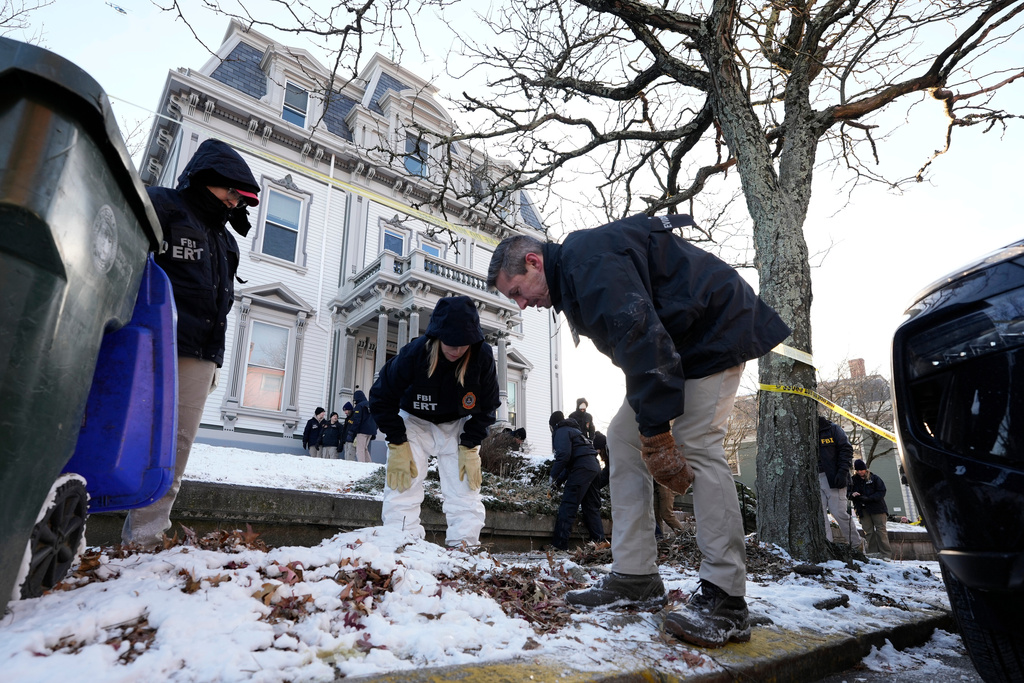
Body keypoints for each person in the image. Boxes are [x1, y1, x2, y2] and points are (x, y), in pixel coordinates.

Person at [488, 213, 790, 648]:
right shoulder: (573, 277)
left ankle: (727, 599)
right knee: (624, 440)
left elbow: (641, 339)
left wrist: (658, 433)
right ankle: (635, 576)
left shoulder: (586, 265)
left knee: (698, 446)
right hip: (671, 347)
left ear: (534, 263)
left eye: (516, 291)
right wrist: (647, 431)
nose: (519, 304)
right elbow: (640, 347)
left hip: (712, 332)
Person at [122, 138, 260, 548]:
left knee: (175, 450)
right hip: (146, 345)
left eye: (242, 199)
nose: (236, 204)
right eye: (232, 193)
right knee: (112, 432)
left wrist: (215, 362)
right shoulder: (161, 206)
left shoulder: (226, 242)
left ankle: (145, 537)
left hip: (200, 356)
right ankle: (66, 525)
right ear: (208, 180)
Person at [369, 296, 501, 547]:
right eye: (450, 342)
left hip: (457, 427)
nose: (456, 349)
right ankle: (402, 545)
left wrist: (471, 443)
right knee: (403, 485)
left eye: (463, 344)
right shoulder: (416, 352)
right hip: (414, 424)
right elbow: (380, 396)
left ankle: (465, 548)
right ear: (438, 335)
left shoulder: (482, 357)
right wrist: (397, 441)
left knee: (464, 489)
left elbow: (489, 405)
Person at [547, 411, 606, 550]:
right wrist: (558, 483)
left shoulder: (561, 431)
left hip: (582, 468)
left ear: (554, 425)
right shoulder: (575, 431)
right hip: (593, 466)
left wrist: (552, 476)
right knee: (591, 507)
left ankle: (559, 545)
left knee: (568, 504)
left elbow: (564, 456)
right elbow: (571, 463)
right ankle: (600, 543)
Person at [818, 416, 861, 548]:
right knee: (820, 514)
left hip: (833, 476)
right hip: (814, 477)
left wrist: (842, 472)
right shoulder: (804, 431)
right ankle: (827, 545)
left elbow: (846, 449)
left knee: (838, 512)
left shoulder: (833, 429)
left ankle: (856, 545)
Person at [850, 459, 892, 559]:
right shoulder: (853, 480)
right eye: (858, 470)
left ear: (865, 469)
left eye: (862, 470)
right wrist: (852, 495)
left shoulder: (874, 478)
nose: (860, 472)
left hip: (877, 508)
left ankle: (886, 554)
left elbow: (881, 491)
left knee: (881, 531)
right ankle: (873, 553)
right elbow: (848, 492)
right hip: (862, 509)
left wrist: (869, 498)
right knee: (868, 532)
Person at [349, 390, 377, 463]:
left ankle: (362, 465)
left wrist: (352, 431)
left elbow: (357, 420)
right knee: (365, 448)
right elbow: (376, 418)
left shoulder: (359, 406)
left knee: (360, 449)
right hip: (371, 431)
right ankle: (369, 464)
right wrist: (374, 430)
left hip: (362, 431)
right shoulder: (371, 405)